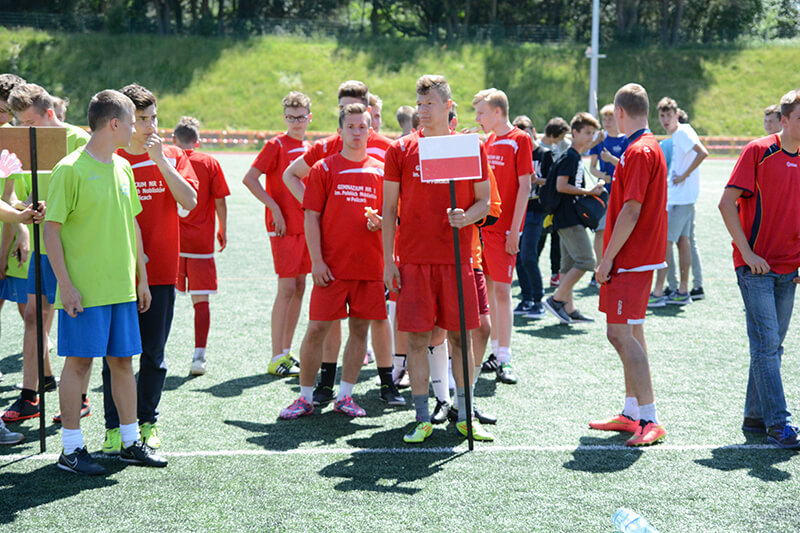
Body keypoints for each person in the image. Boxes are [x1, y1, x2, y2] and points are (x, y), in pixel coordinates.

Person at [44, 89, 167, 474]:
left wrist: (142, 278)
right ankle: (71, 449)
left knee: (123, 363)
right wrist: (66, 285)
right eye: (132, 122)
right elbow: (51, 231)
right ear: (114, 124)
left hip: (122, 289)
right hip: (85, 291)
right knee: (79, 364)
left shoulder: (123, 167)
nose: (136, 129)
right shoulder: (69, 169)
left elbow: (132, 225)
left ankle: (130, 443)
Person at [383, 74, 493, 443]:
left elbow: (483, 201)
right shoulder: (401, 150)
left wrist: (467, 216)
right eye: (419, 104)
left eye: (429, 103)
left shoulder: (469, 147)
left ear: (448, 106)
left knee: (461, 339)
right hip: (414, 260)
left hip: (457, 261)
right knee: (417, 339)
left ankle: (465, 414)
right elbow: (389, 209)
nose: (423, 110)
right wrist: (388, 261)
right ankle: (421, 417)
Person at [284, 80, 402, 407]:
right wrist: (317, 261)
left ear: (370, 129)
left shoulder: (381, 171)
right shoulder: (323, 167)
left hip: (369, 268)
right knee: (317, 329)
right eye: (350, 126)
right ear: (340, 130)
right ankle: (305, 398)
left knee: (360, 330)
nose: (357, 132)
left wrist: (381, 223)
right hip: (332, 267)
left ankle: (346, 396)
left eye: (362, 126)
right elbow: (310, 217)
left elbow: (392, 216)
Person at [102, 83, 198, 454]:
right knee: (116, 356)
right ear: (124, 119)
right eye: (141, 119)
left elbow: (189, 200)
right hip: (116, 272)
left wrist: (161, 162)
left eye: (153, 117)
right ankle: (114, 428)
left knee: (154, 354)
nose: (149, 126)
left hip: (160, 272)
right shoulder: (111, 157)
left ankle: (147, 422)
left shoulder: (171, 154)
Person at [1, 82, 90, 424]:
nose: (24, 129)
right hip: (41, 246)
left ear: (50, 113)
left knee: (76, 316)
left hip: (74, 248)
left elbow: (90, 196)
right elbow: (12, 197)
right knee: (34, 317)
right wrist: (23, 210)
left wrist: (55, 208)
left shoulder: (79, 140)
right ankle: (30, 396)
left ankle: (79, 396)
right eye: (20, 123)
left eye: (30, 123)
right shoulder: (21, 140)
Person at [718, 89, 800, 449]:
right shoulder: (758, 151)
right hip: (756, 270)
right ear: (784, 120)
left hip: (789, 270)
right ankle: (779, 423)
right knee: (767, 345)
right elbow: (726, 204)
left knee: (771, 346)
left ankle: (755, 416)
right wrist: (747, 253)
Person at [592, 82, 668, 447]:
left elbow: (632, 209)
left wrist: (607, 258)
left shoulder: (638, 150)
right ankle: (633, 411)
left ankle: (649, 417)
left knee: (620, 334)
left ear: (620, 112)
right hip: (634, 256)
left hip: (630, 258)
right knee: (631, 333)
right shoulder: (645, 146)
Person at [243, 91, 312, 378]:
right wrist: (274, 207)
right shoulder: (276, 145)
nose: (296, 122)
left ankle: (286, 351)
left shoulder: (310, 146)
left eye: (301, 117)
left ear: (309, 118)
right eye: (291, 117)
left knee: (300, 287)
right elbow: (250, 179)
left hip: (306, 227)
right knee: (286, 288)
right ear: (284, 117)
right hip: (283, 227)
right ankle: (275, 356)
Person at [472, 89, 532, 385]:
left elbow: (525, 186)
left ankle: (505, 357)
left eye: (481, 113)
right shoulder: (489, 141)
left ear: (497, 112)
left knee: (502, 292)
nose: (477, 119)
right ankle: (495, 352)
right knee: (490, 290)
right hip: (484, 229)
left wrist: (515, 230)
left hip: (505, 231)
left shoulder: (520, 139)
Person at [173, 116, 230, 375]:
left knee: (162, 299)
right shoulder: (209, 161)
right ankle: (199, 357)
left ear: (174, 139)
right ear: (198, 141)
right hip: (200, 243)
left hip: (171, 241)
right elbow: (220, 200)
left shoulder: (168, 159)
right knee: (201, 300)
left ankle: (153, 352)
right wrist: (223, 229)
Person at [543, 112, 604, 324]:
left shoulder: (573, 155)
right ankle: (556, 300)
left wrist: (597, 141)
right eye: (587, 133)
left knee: (568, 266)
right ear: (575, 133)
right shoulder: (570, 157)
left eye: (592, 133)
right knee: (587, 261)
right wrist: (589, 192)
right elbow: (561, 186)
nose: (590, 137)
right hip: (568, 218)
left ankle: (568, 310)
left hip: (564, 216)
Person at [649, 97, 708, 306]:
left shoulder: (682, 132)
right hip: (682, 197)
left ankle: (659, 292)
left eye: (668, 115)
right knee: (683, 242)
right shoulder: (680, 133)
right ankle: (681, 290)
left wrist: (683, 175)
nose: (665, 120)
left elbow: (702, 153)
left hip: (680, 199)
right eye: (662, 116)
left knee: (664, 242)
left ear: (676, 115)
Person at [511, 115, 551, 320]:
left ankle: (538, 299)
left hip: (536, 209)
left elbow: (553, 181)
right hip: (520, 209)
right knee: (517, 256)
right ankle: (526, 298)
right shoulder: (516, 154)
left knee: (528, 254)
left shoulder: (544, 154)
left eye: (526, 135)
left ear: (533, 132)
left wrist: (536, 179)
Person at [588, 104, 628, 286]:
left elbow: (626, 165)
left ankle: (615, 266)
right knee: (600, 232)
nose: (607, 122)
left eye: (610, 118)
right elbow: (592, 168)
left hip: (620, 192)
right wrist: (602, 176)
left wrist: (610, 159)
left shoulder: (625, 140)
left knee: (618, 231)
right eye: (605, 119)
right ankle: (598, 268)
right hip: (604, 193)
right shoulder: (600, 140)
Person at [538, 117, 569, 287]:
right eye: (561, 136)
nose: (563, 139)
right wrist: (551, 182)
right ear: (553, 135)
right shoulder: (539, 148)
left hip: (558, 202)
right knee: (539, 238)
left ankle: (555, 273)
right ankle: (530, 272)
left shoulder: (562, 145)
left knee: (557, 240)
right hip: (542, 202)